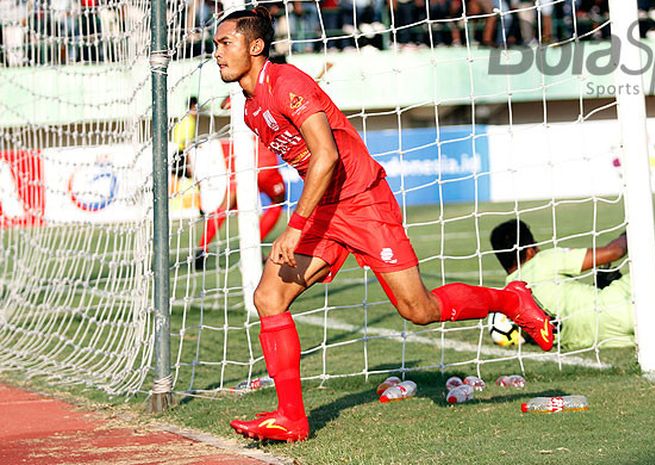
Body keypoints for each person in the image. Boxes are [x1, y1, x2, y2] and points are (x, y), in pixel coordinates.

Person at [213, 7, 553, 443]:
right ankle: (291, 419)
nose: (217, 54)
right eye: (216, 45)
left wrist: (295, 226)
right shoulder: (250, 108)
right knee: (269, 296)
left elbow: (328, 156)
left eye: (225, 43)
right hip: (326, 211)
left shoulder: (287, 84)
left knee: (419, 310)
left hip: (362, 203)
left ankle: (511, 300)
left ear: (255, 47)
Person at [490, 219, 655, 350]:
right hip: (621, 304)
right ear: (529, 251)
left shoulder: (510, 296)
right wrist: (635, 226)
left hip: (606, 339)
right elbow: (614, 251)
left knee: (611, 286)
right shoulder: (540, 260)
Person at [194, 138, 286, 270]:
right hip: (265, 167)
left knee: (226, 207)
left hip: (241, 168)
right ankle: (254, 244)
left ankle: (202, 248)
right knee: (278, 201)